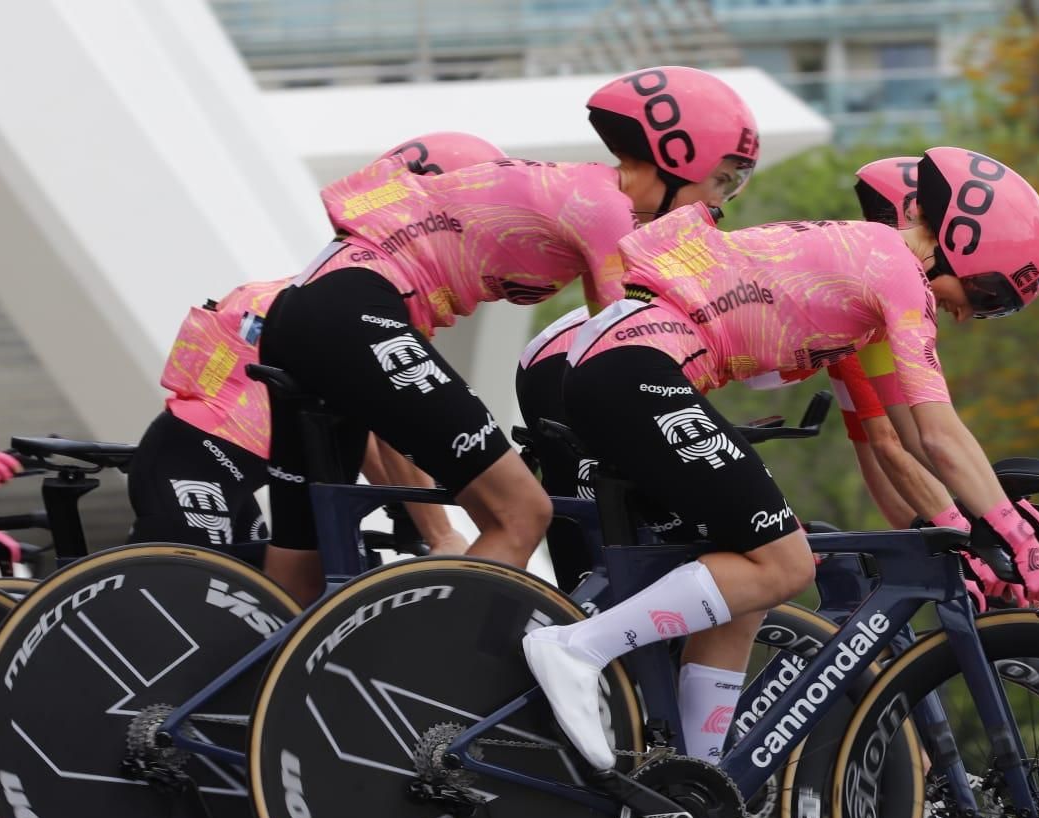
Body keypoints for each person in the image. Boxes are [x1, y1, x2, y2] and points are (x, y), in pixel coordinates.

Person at [521, 147, 1039, 818]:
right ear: (964, 241)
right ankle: (573, 649)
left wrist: (957, 532)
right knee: (784, 562)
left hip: (631, 369)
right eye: (994, 297)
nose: (981, 317)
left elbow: (899, 440)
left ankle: (702, 781)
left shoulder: (871, 303)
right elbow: (939, 432)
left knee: (745, 583)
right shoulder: (895, 270)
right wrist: (1018, 538)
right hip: (630, 370)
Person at [255, 67, 761, 605]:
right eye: (725, 180)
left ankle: (254, 677)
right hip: (355, 307)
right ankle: (448, 677)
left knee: (302, 561)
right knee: (521, 511)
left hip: (306, 307)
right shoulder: (604, 209)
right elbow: (624, 355)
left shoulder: (583, 194)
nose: (721, 205)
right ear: (678, 159)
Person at [125, 132, 507, 558]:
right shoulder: (359, 296)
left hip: (218, 467)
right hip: (192, 462)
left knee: (301, 590)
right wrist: (440, 535)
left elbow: (372, 435)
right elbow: (392, 435)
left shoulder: (359, 288)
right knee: (194, 599)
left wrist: (416, 515)